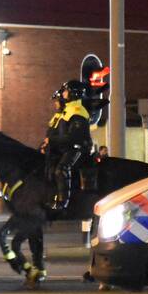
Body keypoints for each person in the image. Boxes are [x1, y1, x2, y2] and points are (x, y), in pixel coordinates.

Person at [43, 79, 92, 210]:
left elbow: (74, 137)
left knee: (62, 169)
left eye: (65, 91)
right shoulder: (69, 109)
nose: (63, 94)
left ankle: (63, 202)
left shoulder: (77, 111)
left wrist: (52, 141)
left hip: (78, 148)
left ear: (73, 93)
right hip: (68, 147)